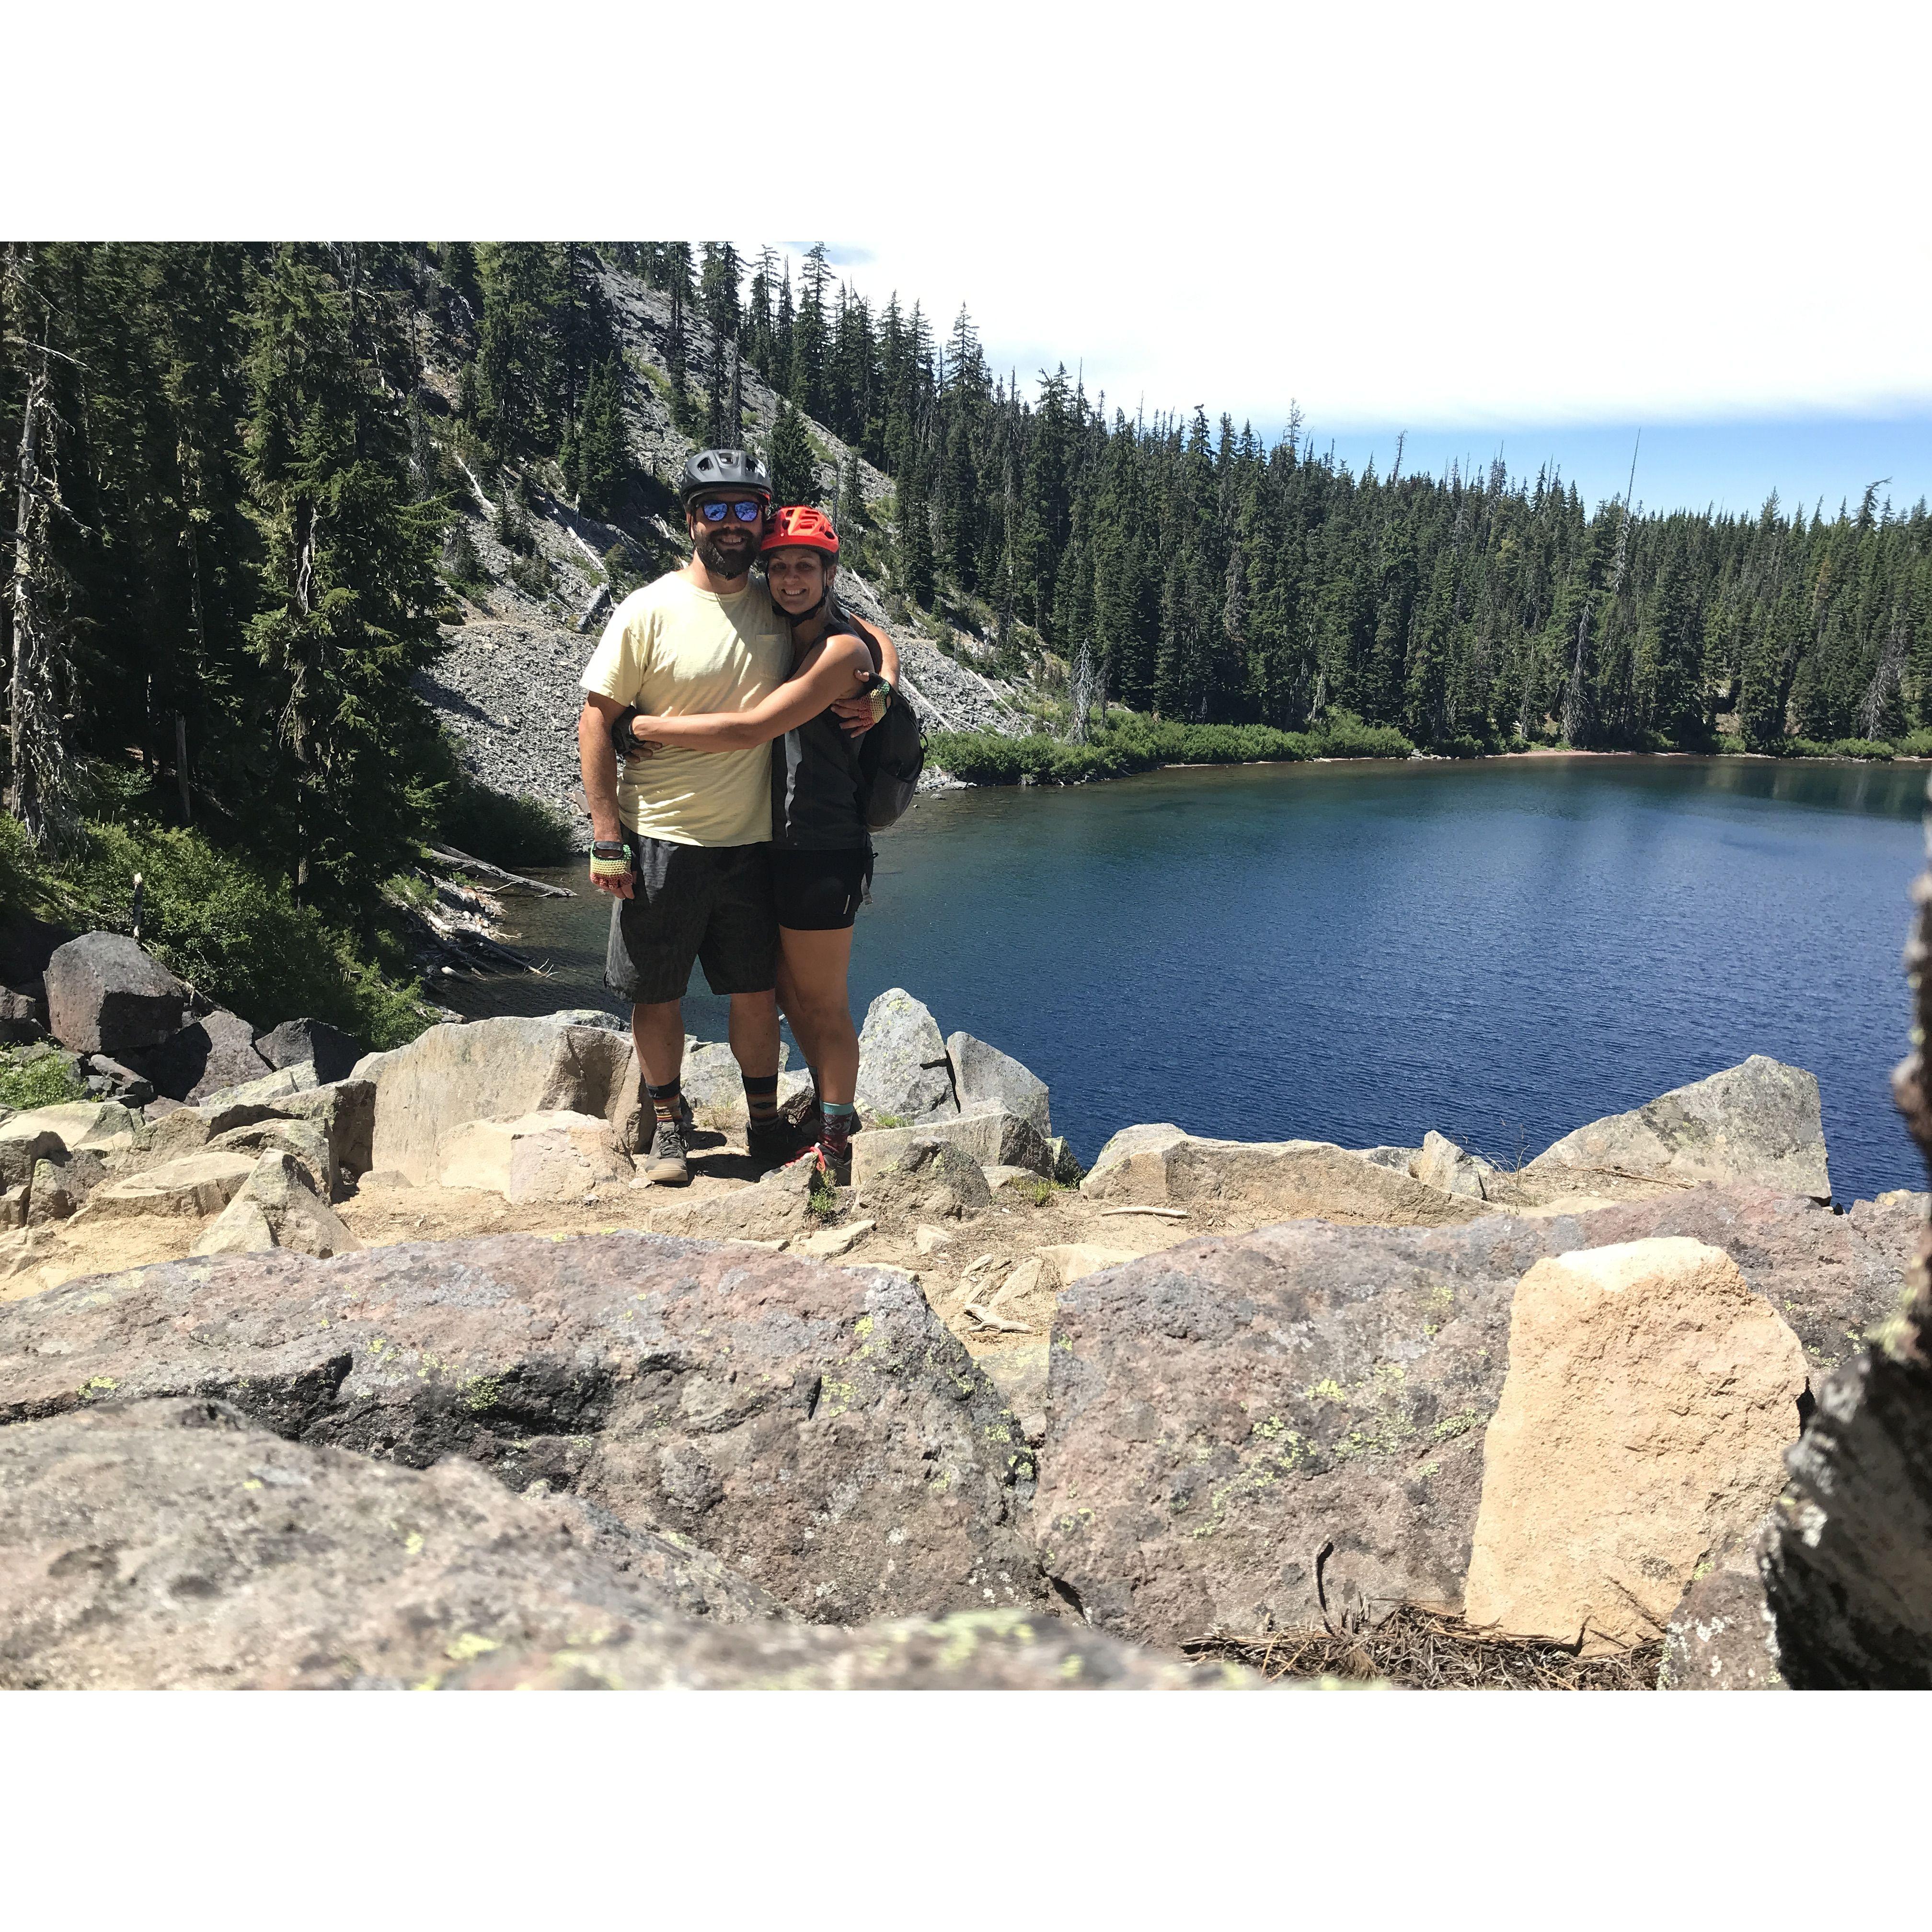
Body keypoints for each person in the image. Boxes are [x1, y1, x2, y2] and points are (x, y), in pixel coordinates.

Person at [576, 449, 872, 1187]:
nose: (734, 525)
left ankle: (764, 1124)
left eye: (748, 510)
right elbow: (593, 721)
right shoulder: (648, 608)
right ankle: (671, 1129)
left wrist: (885, 688)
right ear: (692, 521)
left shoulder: (781, 597)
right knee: (658, 990)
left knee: (755, 991)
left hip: (752, 840)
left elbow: (862, 635)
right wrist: (606, 837)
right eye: (718, 509)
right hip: (659, 835)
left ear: (763, 520)